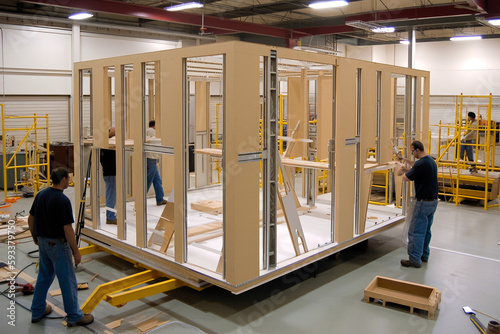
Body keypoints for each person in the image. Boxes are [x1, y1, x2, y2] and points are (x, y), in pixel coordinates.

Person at [28, 167, 94, 326]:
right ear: (63, 179)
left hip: (43, 242)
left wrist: (35, 237)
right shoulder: (62, 200)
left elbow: (31, 219)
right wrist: (76, 252)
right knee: (67, 280)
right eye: (69, 177)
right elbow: (68, 229)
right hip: (58, 245)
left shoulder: (41, 194)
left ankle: (37, 310)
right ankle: (74, 316)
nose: (70, 180)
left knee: (44, 277)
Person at [398, 140, 438, 268]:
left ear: (417, 150)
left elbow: (405, 178)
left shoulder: (420, 164)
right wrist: (408, 167)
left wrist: (402, 171)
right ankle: (424, 255)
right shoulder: (431, 161)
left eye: (412, 151)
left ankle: (414, 260)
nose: (412, 154)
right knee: (426, 230)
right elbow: (418, 169)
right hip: (433, 202)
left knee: (415, 231)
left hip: (422, 203)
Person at [146, 120, 167, 206]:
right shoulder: (152, 131)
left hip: (152, 158)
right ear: (154, 126)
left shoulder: (149, 131)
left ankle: (160, 199)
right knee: (148, 180)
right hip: (151, 158)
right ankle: (140, 199)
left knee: (157, 180)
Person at [100, 128, 118, 224]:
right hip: (111, 173)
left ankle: (111, 215)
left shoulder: (105, 145)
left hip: (109, 173)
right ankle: (110, 217)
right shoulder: (107, 145)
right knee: (111, 195)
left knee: (111, 194)